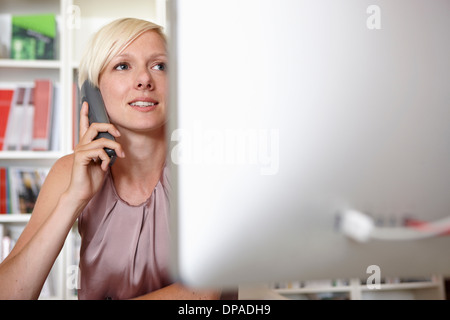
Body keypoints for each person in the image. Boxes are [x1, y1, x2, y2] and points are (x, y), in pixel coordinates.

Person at [0, 18, 221, 300]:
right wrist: (73, 198)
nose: (144, 80)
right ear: (93, 90)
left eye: (160, 66)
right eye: (123, 66)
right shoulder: (69, 173)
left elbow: (202, 294)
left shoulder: (206, 167)